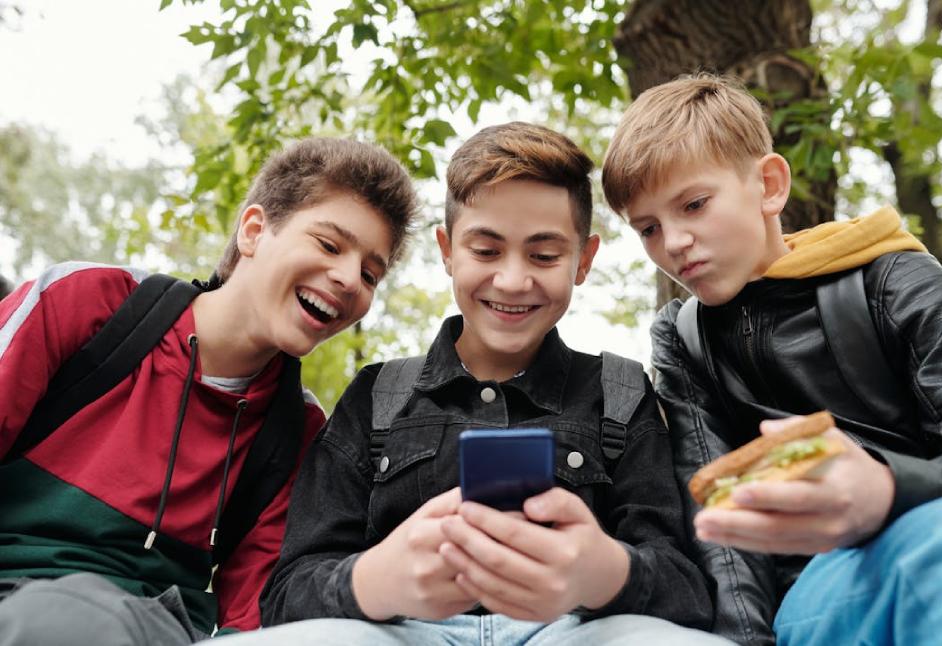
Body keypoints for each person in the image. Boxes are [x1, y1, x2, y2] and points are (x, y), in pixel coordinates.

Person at [216, 122, 726, 645]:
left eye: (544, 255)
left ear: (584, 260)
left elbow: (685, 588)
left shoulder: (620, 392)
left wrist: (605, 570)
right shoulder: (377, 397)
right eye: (485, 251)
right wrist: (376, 580)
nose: (511, 280)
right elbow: (286, 594)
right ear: (447, 250)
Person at [601, 73, 942, 645]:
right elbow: (719, 525)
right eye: (649, 228)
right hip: (816, 589)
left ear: (770, 186)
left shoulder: (893, 281)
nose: (673, 243)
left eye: (695, 205)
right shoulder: (684, 340)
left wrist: (886, 490)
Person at [0, 137, 417, 645]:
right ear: (254, 231)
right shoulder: (87, 304)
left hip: (162, 629)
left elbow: (257, 617)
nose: (350, 278)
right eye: (330, 245)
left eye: (371, 273)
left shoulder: (297, 435)